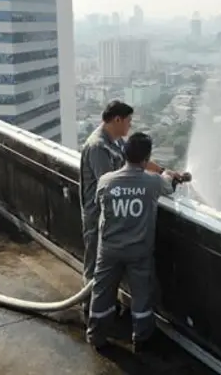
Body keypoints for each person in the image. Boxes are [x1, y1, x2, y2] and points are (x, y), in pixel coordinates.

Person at [79, 100, 179, 316]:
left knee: (106, 268)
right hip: (100, 219)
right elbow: (111, 184)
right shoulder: (98, 147)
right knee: (95, 266)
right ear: (117, 119)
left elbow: (138, 162)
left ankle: (104, 310)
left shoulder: (115, 142)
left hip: (115, 219)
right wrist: (152, 183)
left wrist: (165, 171)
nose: (129, 126)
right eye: (128, 121)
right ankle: (89, 308)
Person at [86, 132, 180, 353]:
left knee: (102, 293)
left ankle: (97, 336)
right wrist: (171, 175)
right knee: (142, 296)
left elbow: (99, 207)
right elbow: (168, 185)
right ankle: (141, 338)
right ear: (146, 159)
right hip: (139, 251)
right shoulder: (152, 182)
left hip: (108, 250)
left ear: (124, 154)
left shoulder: (106, 181)